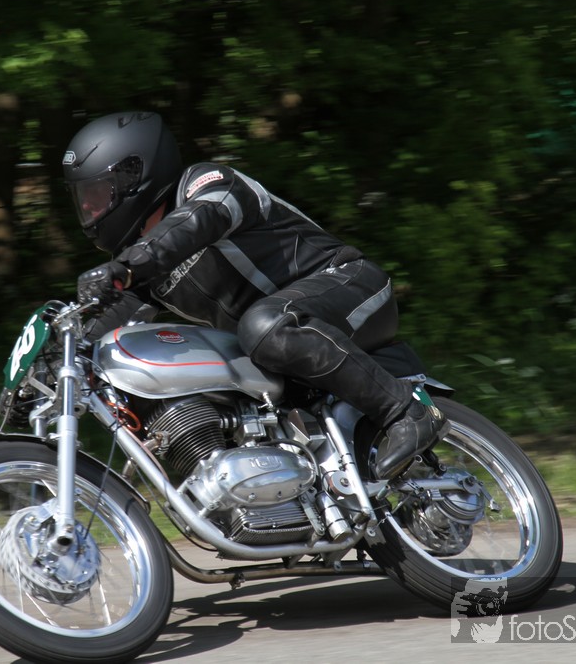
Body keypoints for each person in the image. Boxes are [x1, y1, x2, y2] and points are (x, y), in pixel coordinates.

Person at [63, 111, 445, 479]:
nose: (88, 207)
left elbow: (197, 222)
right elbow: (101, 329)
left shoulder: (208, 185)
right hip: (279, 345)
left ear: (134, 177)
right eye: (82, 198)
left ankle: (405, 413)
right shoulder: (138, 264)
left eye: (97, 193)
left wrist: (126, 267)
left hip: (352, 287)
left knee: (265, 327)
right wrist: (61, 357)